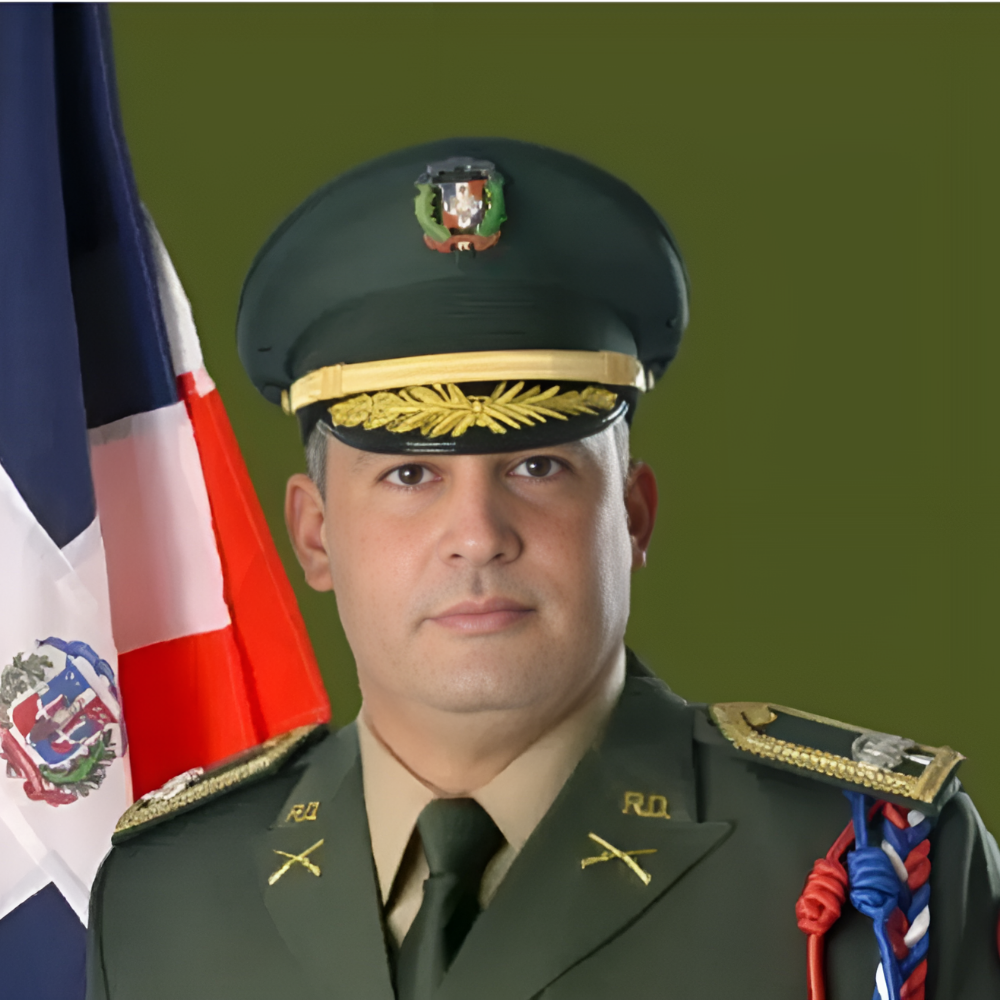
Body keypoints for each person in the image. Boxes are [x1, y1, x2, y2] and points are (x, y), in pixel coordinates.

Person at [86, 139, 1000, 1000]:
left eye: (537, 466)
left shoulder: (870, 860)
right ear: (315, 535)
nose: (478, 535)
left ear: (634, 515)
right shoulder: (167, 893)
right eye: (410, 476)